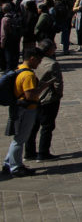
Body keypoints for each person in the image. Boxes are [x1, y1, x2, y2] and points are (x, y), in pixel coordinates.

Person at [3, 47, 53, 177]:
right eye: (38, 60)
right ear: (32, 58)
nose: (39, 63)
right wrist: (42, 87)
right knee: (20, 139)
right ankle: (15, 167)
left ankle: (9, 163)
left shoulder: (19, 69)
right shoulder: (29, 75)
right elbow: (30, 95)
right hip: (26, 109)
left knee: (17, 138)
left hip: (18, 107)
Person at [25, 39, 62, 161]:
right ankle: (43, 152)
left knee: (33, 126)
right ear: (49, 50)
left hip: (34, 98)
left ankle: (29, 152)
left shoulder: (33, 62)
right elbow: (57, 83)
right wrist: (59, 94)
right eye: (54, 47)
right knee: (47, 126)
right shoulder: (52, 64)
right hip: (48, 98)